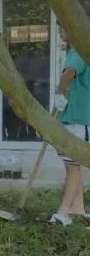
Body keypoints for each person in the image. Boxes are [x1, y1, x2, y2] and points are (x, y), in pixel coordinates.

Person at [50, 25, 90, 225]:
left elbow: (69, 73)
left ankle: (64, 212)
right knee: (74, 164)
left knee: (72, 165)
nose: (60, 32)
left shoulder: (79, 51)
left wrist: (59, 93)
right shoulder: (79, 50)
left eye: (63, 28)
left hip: (78, 117)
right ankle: (78, 208)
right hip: (77, 116)